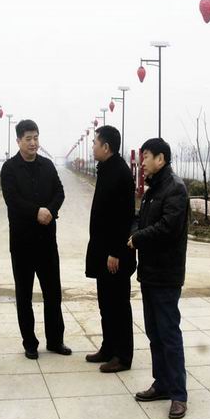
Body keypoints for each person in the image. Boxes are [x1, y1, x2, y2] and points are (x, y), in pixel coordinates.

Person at [128, 137, 189, 419]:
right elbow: (142, 220)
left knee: (169, 334)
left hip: (166, 274)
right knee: (154, 333)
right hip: (150, 273)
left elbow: (167, 228)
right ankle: (162, 383)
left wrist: (138, 238)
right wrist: (133, 231)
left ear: (161, 159)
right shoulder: (153, 189)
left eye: (146, 156)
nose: (142, 162)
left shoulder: (174, 188)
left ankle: (178, 395)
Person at [1, 119, 70, 360]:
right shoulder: (10, 169)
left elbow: (60, 192)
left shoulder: (47, 166)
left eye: (36, 137)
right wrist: (36, 212)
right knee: (24, 296)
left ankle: (55, 340)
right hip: (22, 244)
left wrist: (50, 210)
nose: (33, 143)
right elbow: (12, 200)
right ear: (18, 141)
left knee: (53, 293)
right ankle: (30, 343)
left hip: (47, 242)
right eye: (28, 138)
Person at [84, 125, 136, 373]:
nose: (93, 147)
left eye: (95, 143)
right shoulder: (107, 169)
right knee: (106, 303)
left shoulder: (120, 173)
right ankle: (108, 347)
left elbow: (123, 218)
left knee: (119, 305)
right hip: (103, 251)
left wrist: (115, 252)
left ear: (106, 147)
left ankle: (122, 356)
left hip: (115, 255)